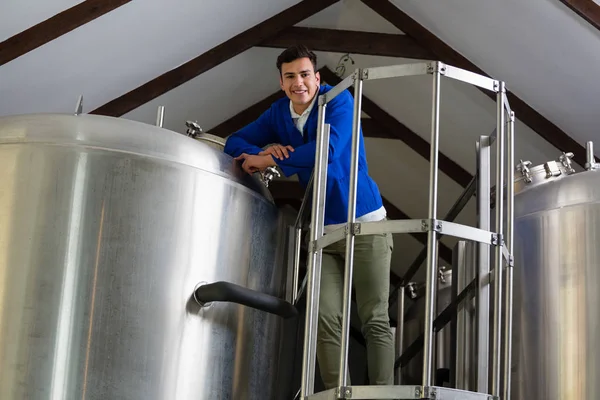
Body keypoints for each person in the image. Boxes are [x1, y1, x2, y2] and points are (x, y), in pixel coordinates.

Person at [223, 45, 394, 388]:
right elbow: (233, 141)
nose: (298, 83)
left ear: (316, 78)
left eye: (304, 75)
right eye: (290, 77)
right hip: (324, 232)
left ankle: (382, 395)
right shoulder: (277, 114)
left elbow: (327, 152)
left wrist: (269, 161)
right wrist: (261, 150)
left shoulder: (340, 101)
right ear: (281, 82)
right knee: (325, 317)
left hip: (366, 223)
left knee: (373, 317)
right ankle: (335, 395)